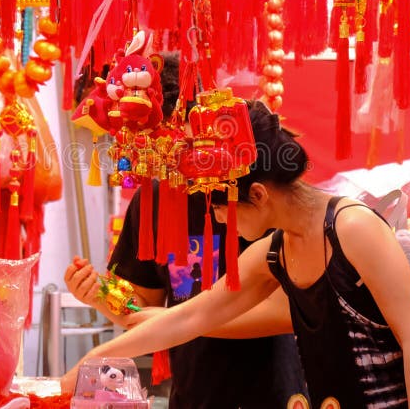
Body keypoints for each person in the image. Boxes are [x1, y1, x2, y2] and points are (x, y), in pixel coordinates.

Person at [64, 100, 410, 408]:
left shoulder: (353, 227)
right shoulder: (275, 251)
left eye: (222, 209)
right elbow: (194, 314)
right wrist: (94, 358)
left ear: (257, 195)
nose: (220, 220)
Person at [64, 58, 303, 409]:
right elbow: (141, 309)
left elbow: (283, 311)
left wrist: (174, 321)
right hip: (193, 395)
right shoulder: (153, 199)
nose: (136, 155)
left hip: (273, 393)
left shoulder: (250, 184)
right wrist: (100, 292)